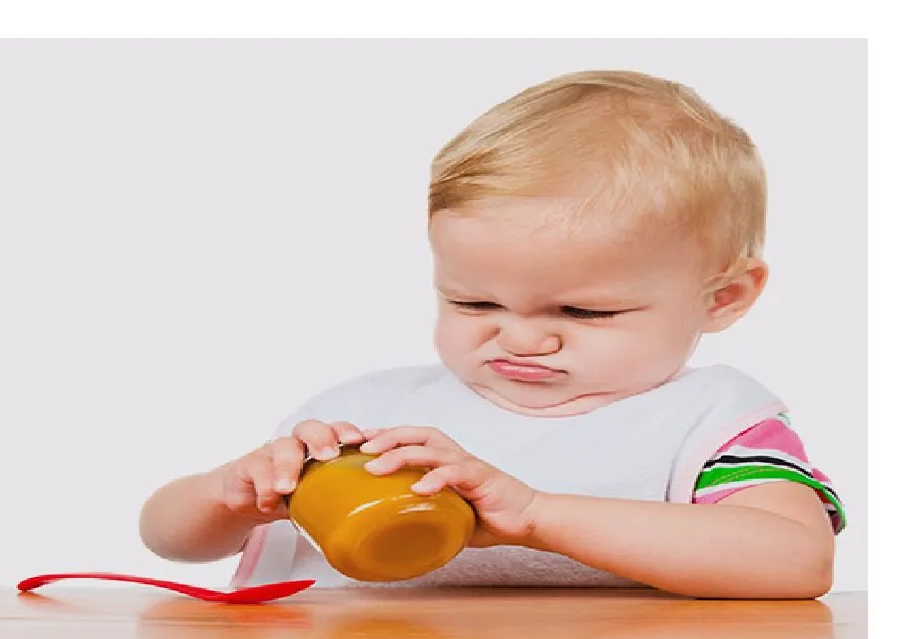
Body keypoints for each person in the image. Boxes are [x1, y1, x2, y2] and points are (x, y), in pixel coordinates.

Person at [139, 69, 846, 599]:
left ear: (723, 297)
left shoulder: (711, 423)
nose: (522, 340)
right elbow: (168, 539)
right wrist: (226, 493)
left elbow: (795, 561)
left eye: (583, 313)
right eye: (475, 302)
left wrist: (537, 514)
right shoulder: (373, 416)